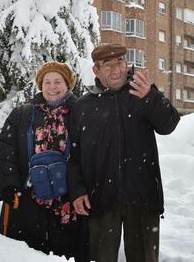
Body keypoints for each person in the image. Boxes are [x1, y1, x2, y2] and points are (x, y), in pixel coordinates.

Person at [67, 44, 180, 262]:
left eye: (119, 62)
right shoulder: (83, 106)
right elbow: (74, 154)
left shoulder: (142, 93)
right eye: (107, 65)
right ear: (96, 71)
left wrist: (151, 96)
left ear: (126, 64)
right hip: (100, 199)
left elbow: (169, 125)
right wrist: (77, 190)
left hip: (142, 198)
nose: (115, 69)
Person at [0, 61, 83, 260]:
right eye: (47, 82)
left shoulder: (80, 114)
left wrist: (83, 190)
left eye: (58, 81)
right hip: (27, 200)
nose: (52, 87)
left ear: (68, 84)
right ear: (40, 85)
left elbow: (88, 154)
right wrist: (8, 186)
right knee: (25, 253)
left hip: (67, 200)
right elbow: (5, 151)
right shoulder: (22, 114)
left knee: (64, 254)